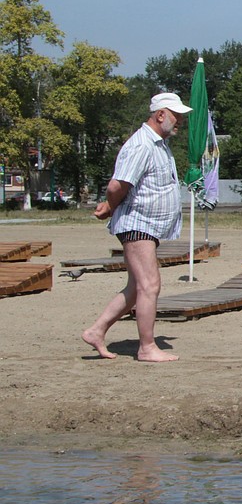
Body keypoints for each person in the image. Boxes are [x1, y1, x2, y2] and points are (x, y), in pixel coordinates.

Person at [82, 93, 192, 362]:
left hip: (147, 224)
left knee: (136, 288)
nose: (180, 121)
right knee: (149, 285)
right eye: (175, 115)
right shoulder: (142, 144)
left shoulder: (158, 144)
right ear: (160, 115)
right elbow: (116, 185)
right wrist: (110, 204)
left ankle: (97, 331)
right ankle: (147, 347)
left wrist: (110, 205)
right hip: (137, 222)